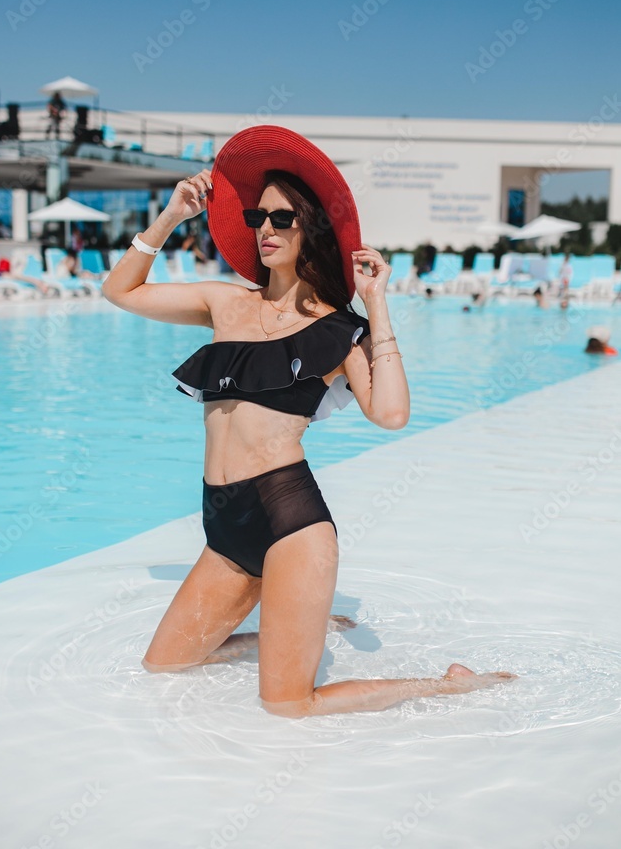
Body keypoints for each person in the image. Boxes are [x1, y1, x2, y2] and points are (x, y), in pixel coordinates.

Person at [102, 125, 515, 717]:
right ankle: (285, 631)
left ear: (309, 230)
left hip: (290, 521)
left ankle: (446, 684)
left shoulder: (336, 330)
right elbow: (120, 292)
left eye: (282, 219)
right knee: (163, 666)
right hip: (225, 529)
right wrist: (170, 216)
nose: (266, 229)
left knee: (290, 707)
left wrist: (375, 305)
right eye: (258, 219)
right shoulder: (225, 303)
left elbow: (391, 414)